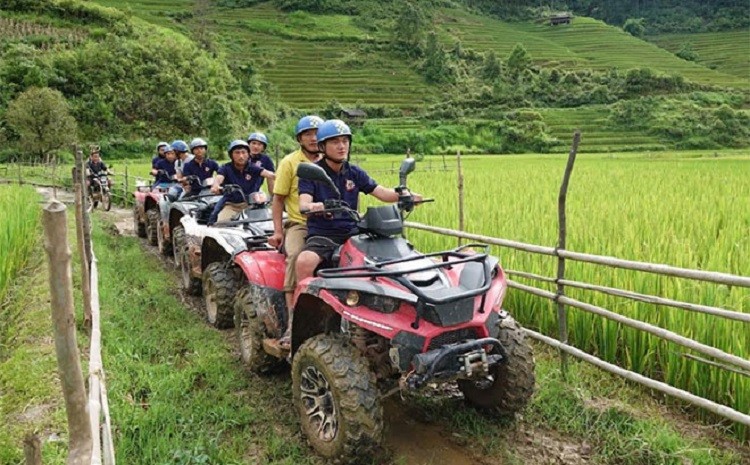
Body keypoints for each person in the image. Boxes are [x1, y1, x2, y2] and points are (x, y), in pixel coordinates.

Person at [280, 119, 421, 349]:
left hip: (352, 231)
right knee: (304, 260)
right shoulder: (312, 172)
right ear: (323, 147)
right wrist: (315, 206)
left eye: (345, 140)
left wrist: (405, 195)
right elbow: (303, 202)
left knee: (388, 261)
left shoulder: (353, 172)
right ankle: (295, 320)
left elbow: (381, 192)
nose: (341, 146)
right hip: (324, 234)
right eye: (334, 141)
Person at [268, 115, 324, 320]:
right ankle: (293, 317)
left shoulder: (331, 161)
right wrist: (277, 231)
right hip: (300, 224)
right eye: (307, 134)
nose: (313, 138)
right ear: (299, 139)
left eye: (317, 133)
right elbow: (278, 199)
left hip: (330, 225)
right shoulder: (289, 163)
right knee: (296, 255)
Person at [209, 139, 275, 223]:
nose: (241, 156)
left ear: (248, 154)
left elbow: (270, 174)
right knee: (220, 222)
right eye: (237, 153)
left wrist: (283, 177)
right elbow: (219, 178)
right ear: (231, 155)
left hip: (252, 205)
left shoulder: (253, 167)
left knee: (267, 223)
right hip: (232, 205)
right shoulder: (225, 168)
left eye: (244, 152)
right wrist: (215, 186)